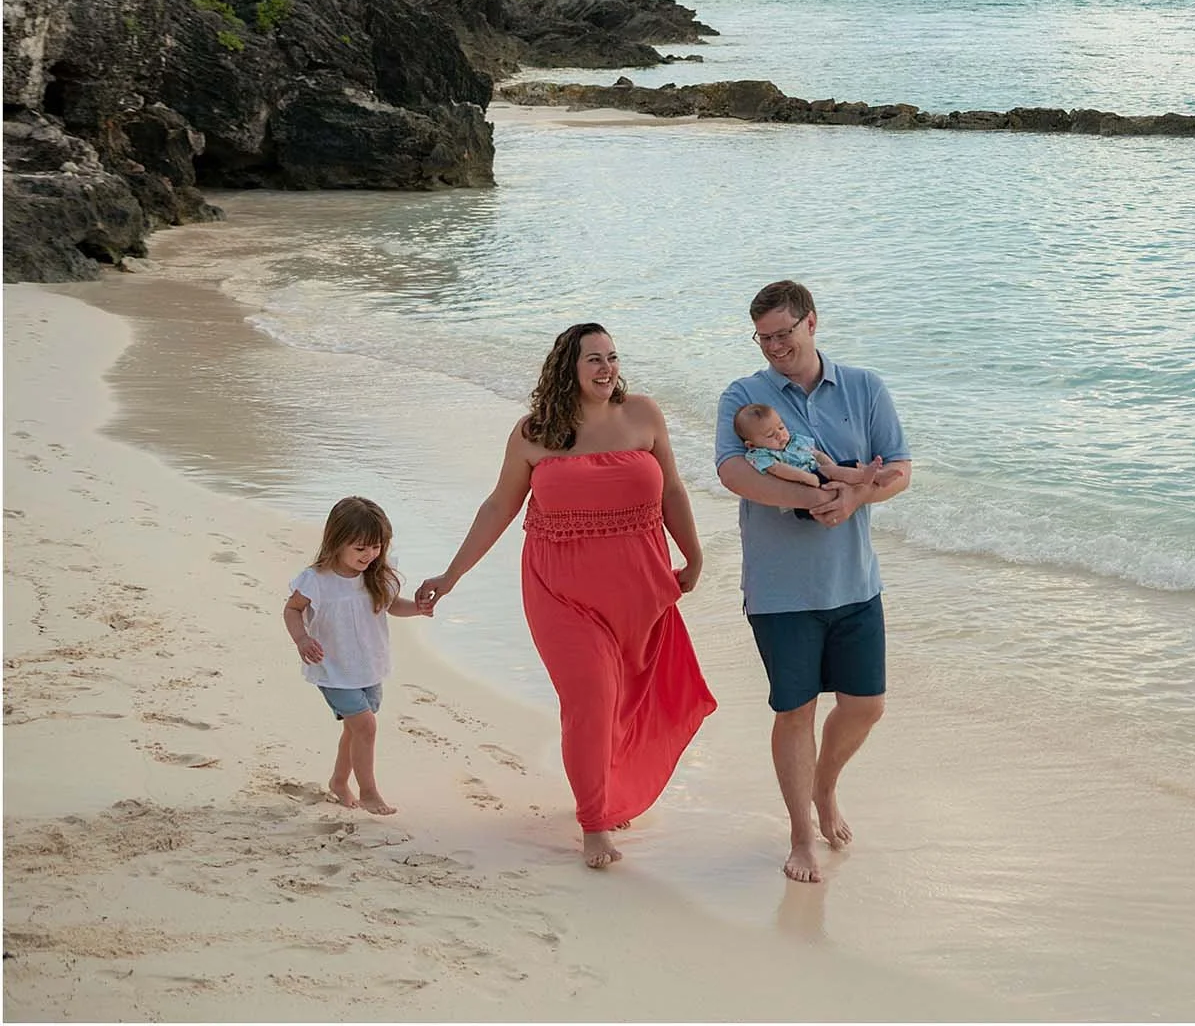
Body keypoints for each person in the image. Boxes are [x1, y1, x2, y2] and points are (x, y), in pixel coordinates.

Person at [416, 324, 716, 870]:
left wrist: (693, 555)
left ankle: (609, 789)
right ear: (568, 370)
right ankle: (595, 822)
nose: (607, 369)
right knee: (591, 701)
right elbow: (498, 508)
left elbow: (672, 488)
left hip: (639, 588)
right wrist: (452, 575)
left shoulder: (643, 415)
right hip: (560, 592)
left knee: (626, 702)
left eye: (612, 358)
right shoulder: (535, 433)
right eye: (594, 360)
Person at [716, 280, 912, 883]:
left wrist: (852, 500)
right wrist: (812, 500)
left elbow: (899, 468)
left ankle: (824, 788)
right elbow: (733, 474)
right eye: (763, 336)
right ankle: (801, 836)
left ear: (811, 323)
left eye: (783, 333)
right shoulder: (743, 397)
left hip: (855, 581)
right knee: (795, 711)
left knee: (867, 706)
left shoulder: (864, 387)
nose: (774, 346)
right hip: (781, 591)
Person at [282, 495, 433, 815]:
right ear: (337, 541)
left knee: (355, 729)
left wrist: (417, 609)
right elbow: (292, 610)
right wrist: (301, 638)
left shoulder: (375, 575)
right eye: (360, 548)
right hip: (333, 668)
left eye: (376, 546)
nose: (369, 555)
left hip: (369, 666)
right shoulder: (316, 579)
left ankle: (339, 781)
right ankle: (369, 792)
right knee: (365, 727)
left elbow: (392, 606)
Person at [733, 402, 902, 515]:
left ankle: (876, 476)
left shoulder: (794, 441)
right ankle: (867, 477)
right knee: (830, 471)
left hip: (820, 475)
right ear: (751, 444)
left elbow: (816, 454)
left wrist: (834, 468)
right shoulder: (759, 455)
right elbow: (781, 470)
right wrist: (808, 478)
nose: (780, 435)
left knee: (850, 465)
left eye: (781, 427)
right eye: (770, 435)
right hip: (804, 489)